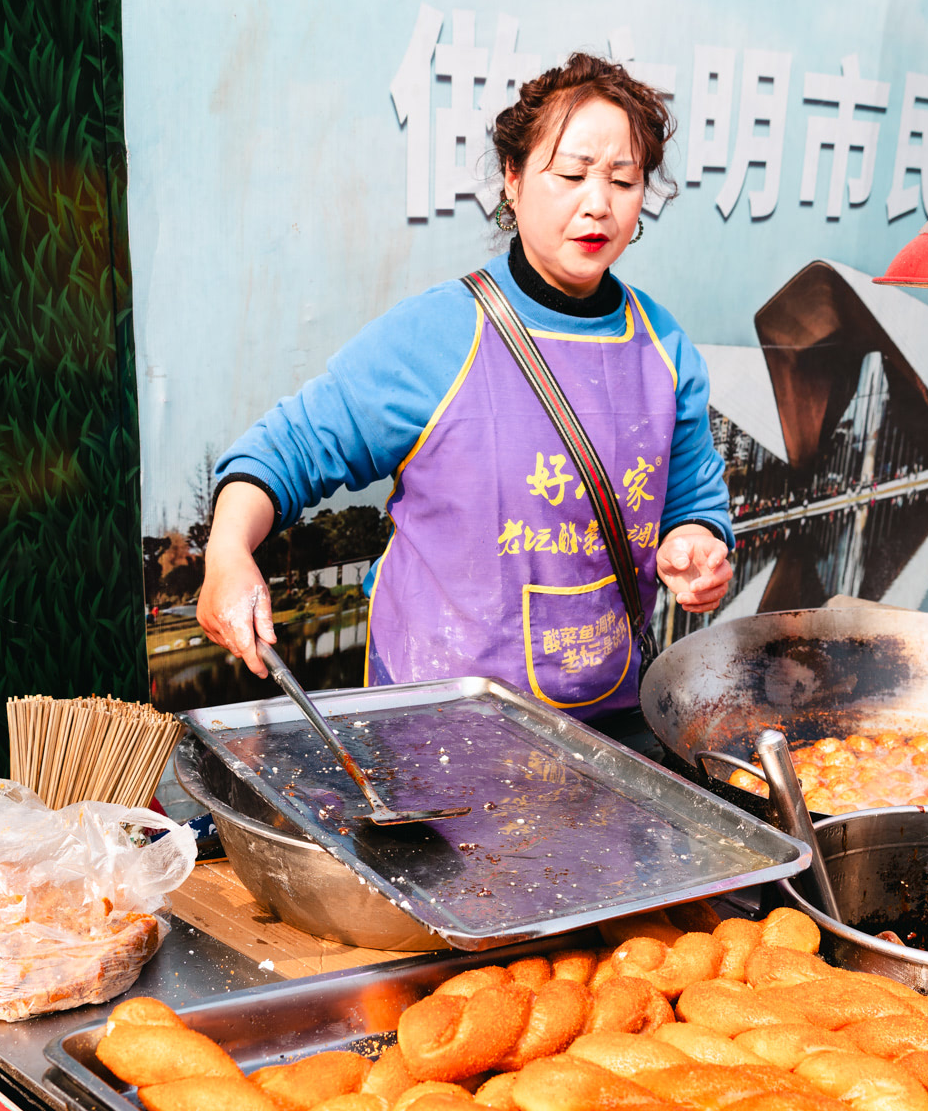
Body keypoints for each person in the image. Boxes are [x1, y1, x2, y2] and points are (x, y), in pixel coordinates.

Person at [198, 53, 733, 721]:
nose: (597, 204)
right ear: (512, 179)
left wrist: (697, 546)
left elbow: (692, 500)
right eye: (570, 174)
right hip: (432, 726)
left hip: (608, 734)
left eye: (623, 181)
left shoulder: (662, 346)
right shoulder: (440, 334)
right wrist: (226, 551)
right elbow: (287, 450)